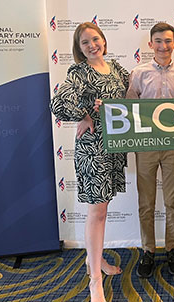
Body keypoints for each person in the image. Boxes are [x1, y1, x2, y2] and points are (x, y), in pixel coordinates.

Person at [50, 22, 127, 302]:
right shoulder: (79, 72)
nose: (92, 45)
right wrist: (84, 115)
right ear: (79, 48)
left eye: (95, 39)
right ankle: (95, 279)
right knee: (96, 212)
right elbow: (58, 104)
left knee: (103, 211)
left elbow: (133, 98)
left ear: (104, 41)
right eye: (85, 42)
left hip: (115, 146)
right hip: (93, 149)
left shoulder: (118, 69)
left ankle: (94, 261)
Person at [126, 22, 174, 278]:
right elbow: (129, 111)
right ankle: (148, 251)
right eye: (158, 41)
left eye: (168, 41)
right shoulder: (138, 73)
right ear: (150, 44)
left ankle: (172, 248)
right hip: (145, 147)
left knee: (173, 202)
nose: (163, 46)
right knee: (146, 203)